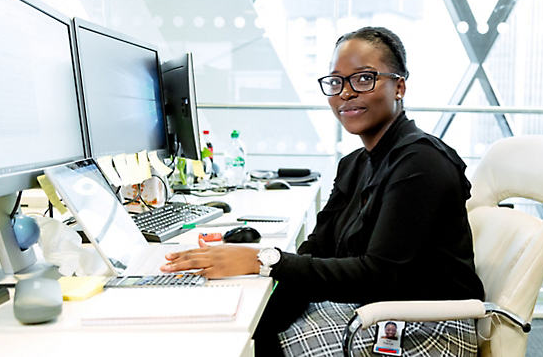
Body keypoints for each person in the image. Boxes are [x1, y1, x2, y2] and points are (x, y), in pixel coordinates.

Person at [161, 26, 484, 356]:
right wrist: (263, 305)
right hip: (375, 308)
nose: (345, 93)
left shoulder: (421, 163)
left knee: (265, 347)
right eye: (335, 82)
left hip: (428, 325)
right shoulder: (356, 163)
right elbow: (319, 246)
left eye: (363, 79)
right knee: (247, 332)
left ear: (398, 86)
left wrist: (262, 260)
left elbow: (380, 275)